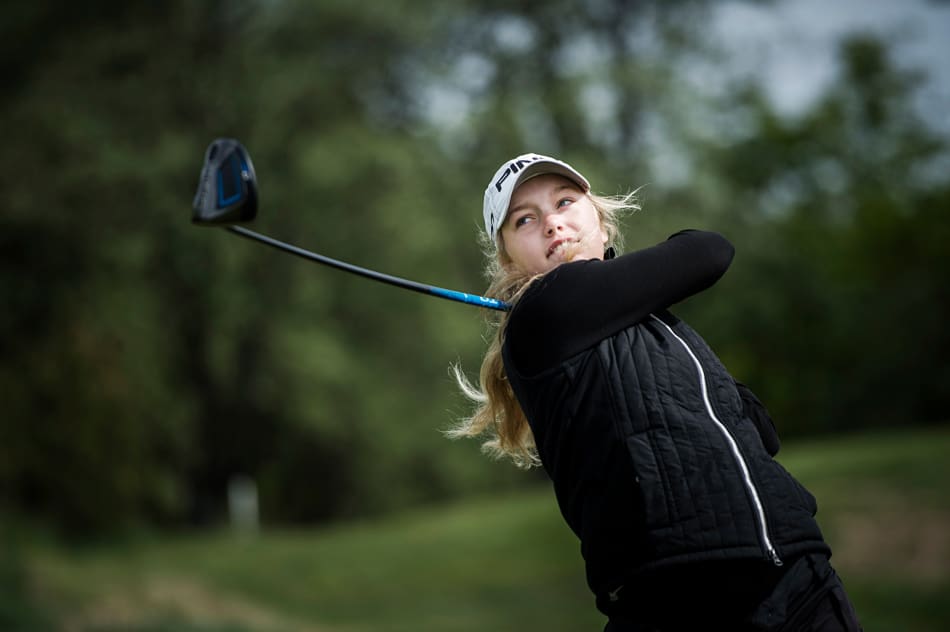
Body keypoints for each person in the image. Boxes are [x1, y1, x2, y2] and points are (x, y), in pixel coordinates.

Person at [450, 153, 862, 631]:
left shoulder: (659, 326)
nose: (552, 224)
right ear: (508, 258)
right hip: (681, 603)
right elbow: (707, 251)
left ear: (600, 221)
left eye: (565, 202)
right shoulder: (543, 315)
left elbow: (761, 434)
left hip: (798, 579)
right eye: (526, 219)